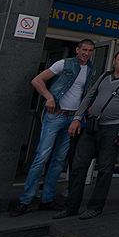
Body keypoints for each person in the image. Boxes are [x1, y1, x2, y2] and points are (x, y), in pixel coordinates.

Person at [12, 39, 99, 216]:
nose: (86, 53)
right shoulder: (64, 63)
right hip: (55, 115)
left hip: (72, 118)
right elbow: (37, 80)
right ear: (77, 50)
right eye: (84, 49)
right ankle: (25, 200)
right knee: (42, 157)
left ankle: (47, 198)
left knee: (59, 159)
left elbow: (86, 94)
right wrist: (49, 97)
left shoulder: (91, 70)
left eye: (90, 51)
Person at [52, 50, 119, 220]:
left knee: (104, 169)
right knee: (78, 166)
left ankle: (95, 207)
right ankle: (71, 206)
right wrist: (77, 118)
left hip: (113, 129)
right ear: (114, 60)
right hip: (92, 126)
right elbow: (89, 97)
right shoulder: (104, 76)